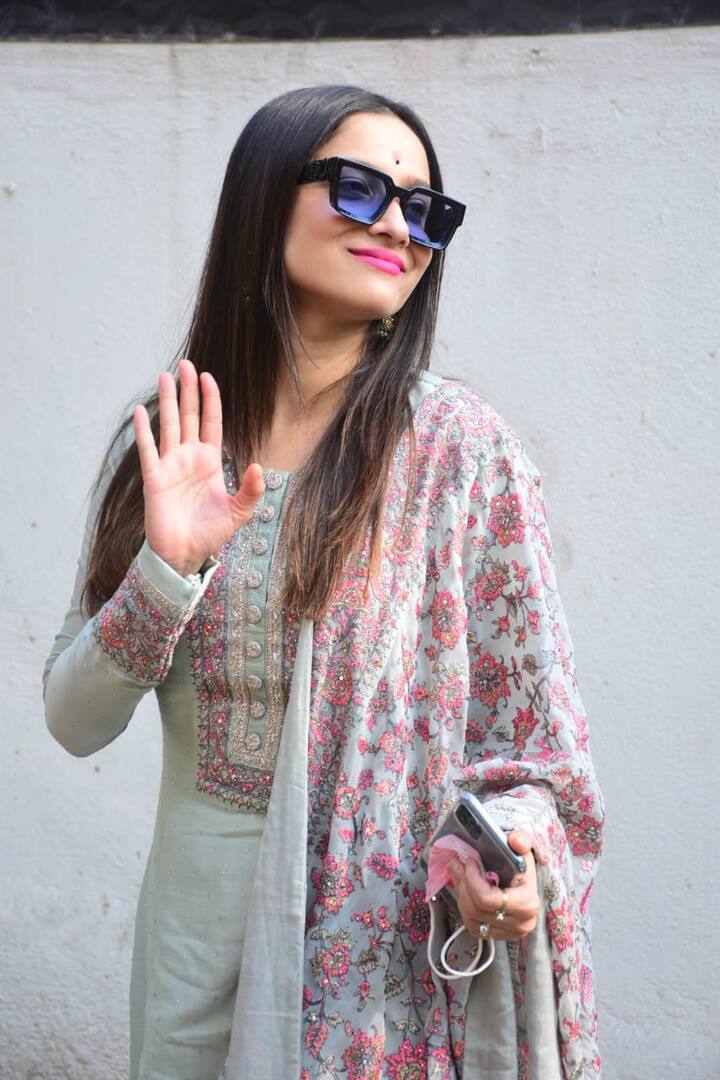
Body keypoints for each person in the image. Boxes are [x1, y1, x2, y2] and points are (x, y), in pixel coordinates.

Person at [43, 85, 604, 1080]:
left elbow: (532, 750)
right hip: (192, 953)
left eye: (426, 209)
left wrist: (513, 868)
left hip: (380, 959)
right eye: (358, 188)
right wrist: (168, 569)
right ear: (265, 197)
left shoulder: (460, 455)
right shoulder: (172, 439)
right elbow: (76, 719)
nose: (398, 224)